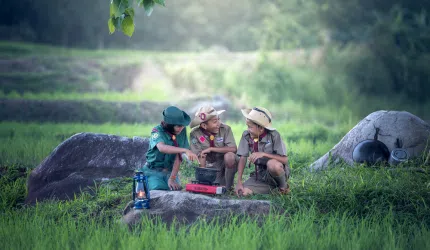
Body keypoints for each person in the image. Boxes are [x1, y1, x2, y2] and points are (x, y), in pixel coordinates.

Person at [235, 107, 290, 196]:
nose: (248, 129)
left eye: (250, 127)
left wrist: (263, 154)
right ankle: (271, 190)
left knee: (272, 165)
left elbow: (284, 160)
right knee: (243, 193)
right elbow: (243, 157)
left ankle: (283, 187)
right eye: (247, 126)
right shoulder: (246, 136)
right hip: (260, 176)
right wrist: (239, 182)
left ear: (260, 128)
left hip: (276, 172)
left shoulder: (274, 135)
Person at [142, 106, 198, 191]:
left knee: (176, 190)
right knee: (158, 189)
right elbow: (162, 148)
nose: (182, 128)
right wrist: (185, 150)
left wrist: (172, 179)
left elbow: (178, 157)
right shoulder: (157, 131)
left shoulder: (181, 130)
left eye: (183, 126)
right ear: (170, 125)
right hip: (153, 171)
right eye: (179, 126)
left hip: (170, 172)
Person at [189, 106, 238, 190]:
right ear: (204, 125)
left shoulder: (225, 129)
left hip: (223, 164)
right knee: (202, 155)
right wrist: (203, 178)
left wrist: (212, 149)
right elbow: (199, 155)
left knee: (230, 156)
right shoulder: (195, 134)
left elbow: (233, 148)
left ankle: (229, 187)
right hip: (209, 167)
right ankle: (206, 181)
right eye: (215, 121)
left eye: (219, 119)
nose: (219, 123)